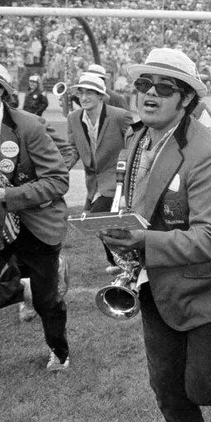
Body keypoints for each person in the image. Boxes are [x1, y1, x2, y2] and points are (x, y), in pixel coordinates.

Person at [98, 48, 211, 422]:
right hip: (159, 280)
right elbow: (138, 203)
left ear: (187, 98)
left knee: (203, 389)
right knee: (167, 391)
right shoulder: (137, 138)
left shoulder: (206, 153)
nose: (149, 94)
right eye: (144, 84)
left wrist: (142, 241)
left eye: (164, 87)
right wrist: (121, 241)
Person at [0, 62, 70, 370]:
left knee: (45, 301)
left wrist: (8, 195)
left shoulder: (29, 125)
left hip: (35, 224)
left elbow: (58, 180)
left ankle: (60, 351)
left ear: (1, 91)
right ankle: (22, 288)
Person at [64, 72, 134, 273]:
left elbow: (136, 145)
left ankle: (125, 262)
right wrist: (60, 170)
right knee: (103, 224)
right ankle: (121, 263)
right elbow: (73, 149)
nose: (84, 98)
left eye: (90, 93)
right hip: (94, 183)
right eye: (81, 93)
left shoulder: (120, 116)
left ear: (101, 96)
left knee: (94, 220)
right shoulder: (73, 118)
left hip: (118, 180)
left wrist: (128, 174)